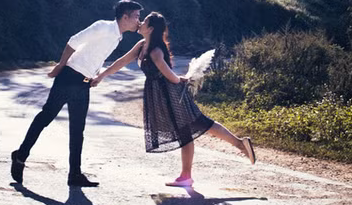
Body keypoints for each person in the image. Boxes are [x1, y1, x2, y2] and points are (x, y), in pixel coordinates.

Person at [93, 11, 255, 188]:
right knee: (194, 127)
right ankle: (195, 171)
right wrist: (102, 76)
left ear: (151, 28)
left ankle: (233, 148)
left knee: (197, 125)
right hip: (161, 94)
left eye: (144, 21)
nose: (140, 22)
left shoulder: (155, 51)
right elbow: (121, 61)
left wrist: (180, 79)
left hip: (169, 94)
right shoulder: (142, 45)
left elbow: (170, 77)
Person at [11, 0, 143, 187]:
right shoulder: (103, 27)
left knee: (77, 130)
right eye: (137, 16)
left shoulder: (118, 37)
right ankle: (21, 156)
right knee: (46, 117)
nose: (139, 20)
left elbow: (94, 56)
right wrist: (60, 65)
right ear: (125, 16)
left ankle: (74, 174)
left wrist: (95, 75)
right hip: (68, 77)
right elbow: (73, 42)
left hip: (83, 84)